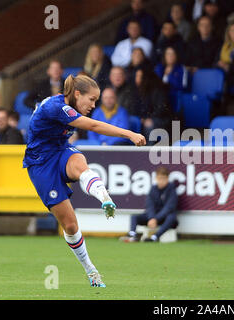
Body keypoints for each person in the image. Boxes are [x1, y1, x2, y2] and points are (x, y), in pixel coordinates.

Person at [23, 74, 146, 288]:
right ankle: (91, 270)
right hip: (40, 165)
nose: (93, 105)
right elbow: (95, 127)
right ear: (77, 94)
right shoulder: (57, 107)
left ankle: (104, 196)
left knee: (79, 162)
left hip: (60, 151)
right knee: (70, 225)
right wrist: (129, 134)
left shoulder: (71, 106)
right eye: (91, 99)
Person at [122, 167, 178, 243]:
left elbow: (169, 207)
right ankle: (132, 235)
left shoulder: (172, 189)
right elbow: (149, 205)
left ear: (167, 179)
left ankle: (154, 237)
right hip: (153, 218)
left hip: (165, 219)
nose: (161, 181)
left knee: (171, 217)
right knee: (134, 217)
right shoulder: (153, 189)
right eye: (159, 178)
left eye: (164, 178)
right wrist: (152, 218)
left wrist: (156, 219)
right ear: (156, 178)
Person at [120, 68, 172, 142]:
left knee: (148, 125)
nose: (136, 79)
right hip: (142, 118)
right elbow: (133, 108)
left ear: (146, 78)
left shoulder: (158, 91)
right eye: (136, 76)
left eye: (139, 76)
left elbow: (161, 110)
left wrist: (148, 118)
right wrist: (141, 118)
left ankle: (148, 150)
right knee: (129, 121)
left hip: (160, 119)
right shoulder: (136, 91)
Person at [154, 46, 188, 111]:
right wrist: (165, 74)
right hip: (160, 99)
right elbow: (155, 84)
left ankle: (175, 121)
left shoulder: (182, 69)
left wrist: (170, 76)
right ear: (164, 56)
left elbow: (183, 87)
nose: (170, 56)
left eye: (172, 54)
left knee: (175, 117)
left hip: (175, 98)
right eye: (168, 54)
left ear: (176, 56)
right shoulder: (159, 68)